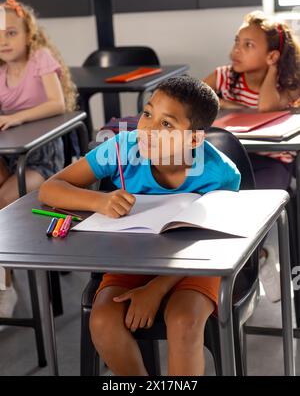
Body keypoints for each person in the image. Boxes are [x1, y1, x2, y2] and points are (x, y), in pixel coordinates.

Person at [39, 75, 240, 376]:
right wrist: (98, 201)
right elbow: (50, 189)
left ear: (195, 138)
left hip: (195, 261)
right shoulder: (121, 148)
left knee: (184, 320)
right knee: (103, 320)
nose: (147, 129)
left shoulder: (221, 174)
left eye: (167, 124)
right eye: (147, 114)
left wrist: (156, 289)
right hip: (131, 258)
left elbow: (214, 245)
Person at [203, 10, 300, 303]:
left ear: (273, 56)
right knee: (214, 200)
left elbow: (267, 106)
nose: (236, 50)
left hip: (273, 161)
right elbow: (195, 101)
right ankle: (255, 258)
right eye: (237, 41)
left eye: (248, 45)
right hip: (233, 159)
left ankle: (259, 255)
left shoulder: (289, 81)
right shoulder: (223, 76)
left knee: (255, 204)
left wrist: (271, 74)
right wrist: (226, 101)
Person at [0, 0, 77, 318]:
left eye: (11, 33)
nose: (3, 41)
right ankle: (6, 277)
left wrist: (18, 117)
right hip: (9, 155)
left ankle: (4, 285)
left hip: (41, 157)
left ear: (29, 34)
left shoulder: (40, 58)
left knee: (4, 202)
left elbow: (57, 104)